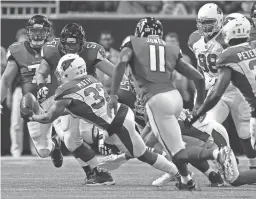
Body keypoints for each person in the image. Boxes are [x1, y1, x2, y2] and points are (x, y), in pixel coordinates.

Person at [27, 53, 229, 187]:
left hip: (117, 124)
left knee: (144, 153)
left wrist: (33, 115)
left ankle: (185, 171)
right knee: (144, 148)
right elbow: (76, 108)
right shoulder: (91, 79)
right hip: (121, 116)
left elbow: (48, 117)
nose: (60, 76)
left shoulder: (66, 89)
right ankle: (185, 174)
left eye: (62, 73)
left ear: (69, 72)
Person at [107, 17, 233, 190]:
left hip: (166, 106)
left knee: (177, 152)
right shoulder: (170, 48)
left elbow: (121, 62)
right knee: (175, 148)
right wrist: (198, 106)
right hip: (175, 98)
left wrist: (113, 95)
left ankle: (217, 155)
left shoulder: (132, 42)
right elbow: (198, 77)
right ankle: (187, 179)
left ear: (140, 32)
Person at [35, 23, 128, 184]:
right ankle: (98, 173)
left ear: (82, 43)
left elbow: (116, 74)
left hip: (87, 98)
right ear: (61, 42)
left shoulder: (91, 52)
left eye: (74, 43)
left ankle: (64, 141)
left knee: (84, 136)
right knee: (72, 140)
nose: (71, 47)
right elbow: (40, 72)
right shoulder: (51, 49)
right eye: (67, 43)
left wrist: (127, 89)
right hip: (66, 97)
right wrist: (41, 86)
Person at [188, 3, 256, 169]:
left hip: (235, 89)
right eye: (202, 22)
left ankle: (253, 166)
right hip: (215, 90)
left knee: (245, 133)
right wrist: (202, 83)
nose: (205, 26)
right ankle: (228, 161)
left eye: (209, 21)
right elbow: (200, 64)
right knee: (209, 127)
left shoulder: (227, 37)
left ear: (219, 21)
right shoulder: (194, 39)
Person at [0, 15, 63, 166]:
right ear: (27, 32)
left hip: (57, 99)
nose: (38, 35)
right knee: (43, 151)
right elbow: (6, 79)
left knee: (68, 135)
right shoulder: (18, 50)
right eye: (34, 31)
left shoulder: (59, 47)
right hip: (33, 102)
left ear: (49, 32)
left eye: (42, 32)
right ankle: (54, 145)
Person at [165, 32, 195, 110]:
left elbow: (191, 79)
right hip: (168, 98)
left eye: (173, 41)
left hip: (184, 97)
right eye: (168, 42)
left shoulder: (185, 59)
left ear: (177, 43)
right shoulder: (160, 59)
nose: (170, 44)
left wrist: (196, 94)